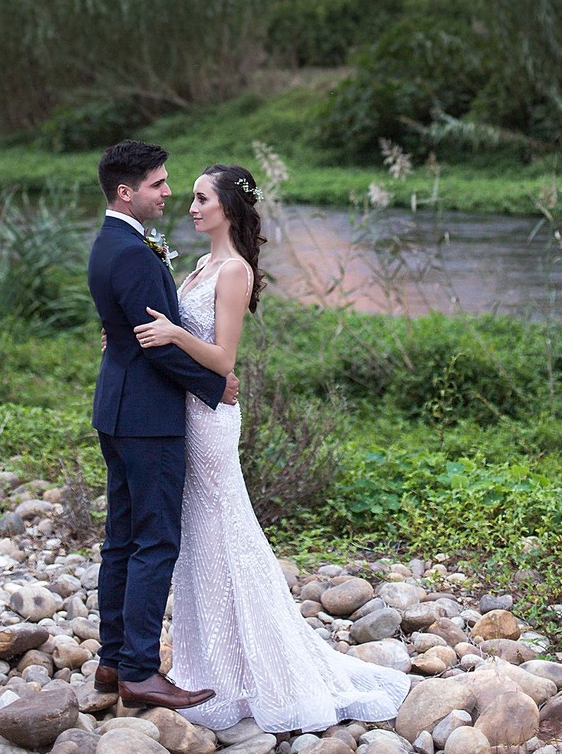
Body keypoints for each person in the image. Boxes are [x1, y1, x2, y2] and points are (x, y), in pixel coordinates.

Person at [134, 163, 410, 733]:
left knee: (222, 528)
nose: (190, 207)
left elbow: (223, 360)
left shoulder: (232, 271)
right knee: (200, 534)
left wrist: (175, 335)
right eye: (189, 198)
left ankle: (256, 666)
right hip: (186, 408)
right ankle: (211, 664)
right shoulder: (198, 267)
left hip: (209, 417)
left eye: (201, 198)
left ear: (228, 209)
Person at [88, 140, 240, 712]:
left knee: (122, 540)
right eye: (158, 184)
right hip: (148, 417)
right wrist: (215, 386)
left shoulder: (112, 243)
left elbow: (134, 330)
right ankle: (141, 671)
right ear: (126, 192)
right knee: (154, 542)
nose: (169, 193)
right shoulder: (131, 252)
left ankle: (113, 659)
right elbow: (155, 341)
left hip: (119, 408)